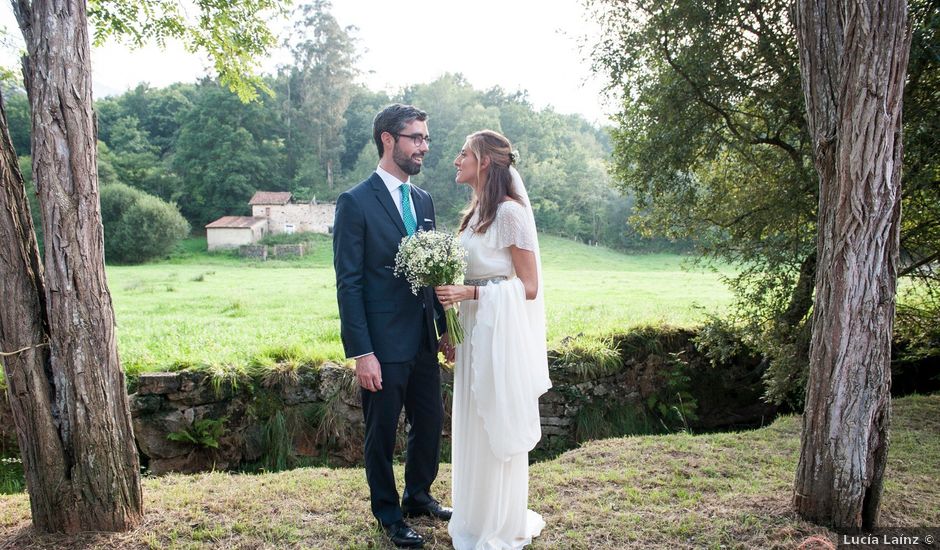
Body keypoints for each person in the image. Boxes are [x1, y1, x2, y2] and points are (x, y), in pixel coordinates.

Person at [333, 103, 452, 549]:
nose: (424, 146)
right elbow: (349, 282)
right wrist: (362, 352)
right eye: (416, 138)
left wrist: (444, 329)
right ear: (388, 139)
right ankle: (388, 513)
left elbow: (434, 272)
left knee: (430, 419)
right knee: (381, 432)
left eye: (425, 138)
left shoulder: (423, 201)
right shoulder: (355, 201)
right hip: (381, 345)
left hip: (423, 338)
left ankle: (418, 497)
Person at [435, 130, 552, 549]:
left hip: (498, 337)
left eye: (463, 153)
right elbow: (463, 279)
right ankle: (473, 515)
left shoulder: (510, 213)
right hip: (471, 334)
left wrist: (472, 294)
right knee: (471, 420)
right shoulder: (473, 215)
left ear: (484, 161)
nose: (456, 159)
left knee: (492, 422)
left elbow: (530, 286)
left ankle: (498, 524)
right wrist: (450, 328)